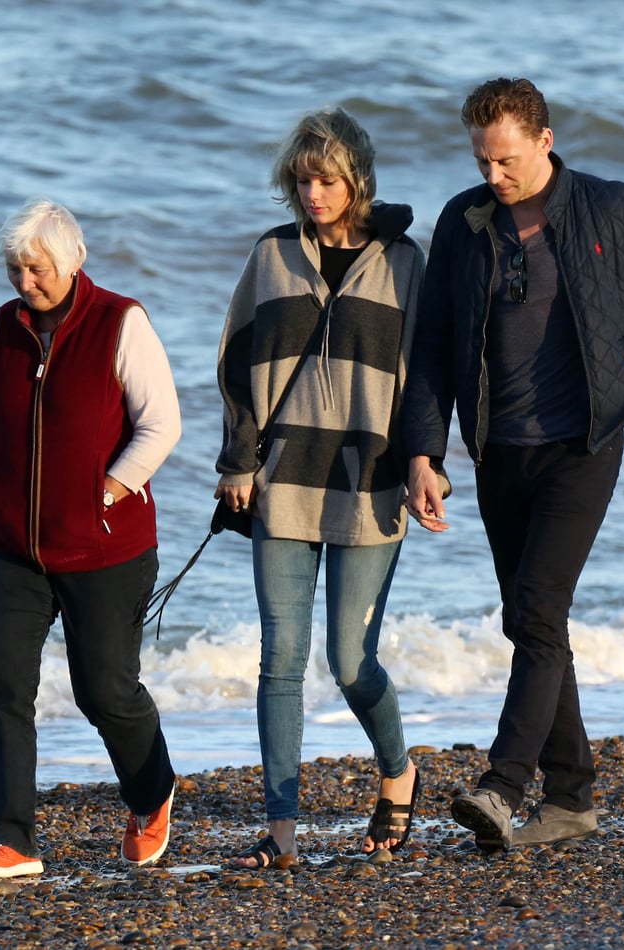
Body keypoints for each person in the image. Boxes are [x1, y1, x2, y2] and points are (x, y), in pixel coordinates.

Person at [403, 78, 624, 850]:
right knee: (535, 622)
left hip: (583, 445)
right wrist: (424, 450)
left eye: (506, 160)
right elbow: (436, 345)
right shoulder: (465, 221)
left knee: (537, 611)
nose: (493, 176)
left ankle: (504, 784)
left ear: (545, 141)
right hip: (497, 452)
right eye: (482, 159)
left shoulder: (612, 208)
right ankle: (573, 798)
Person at [215, 108, 425, 867]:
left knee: (347, 660)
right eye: (302, 179)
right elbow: (237, 364)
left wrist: (426, 462)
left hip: (371, 481)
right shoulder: (270, 258)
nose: (312, 193)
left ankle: (398, 772)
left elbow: (424, 378)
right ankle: (281, 833)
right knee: (280, 657)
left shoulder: (404, 260)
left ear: (356, 179)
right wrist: (237, 461)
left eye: (326, 179)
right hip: (282, 482)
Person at [0, 198, 182, 878]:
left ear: (73, 260)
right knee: (0, 684)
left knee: (105, 692)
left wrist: (104, 492)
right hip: (10, 548)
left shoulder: (120, 321)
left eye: (37, 268)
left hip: (104, 547)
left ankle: (152, 794)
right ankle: (14, 838)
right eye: (14, 269)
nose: (25, 282)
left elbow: (161, 425)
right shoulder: (6, 327)